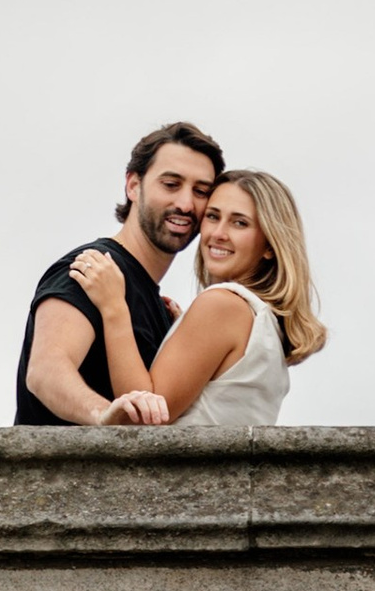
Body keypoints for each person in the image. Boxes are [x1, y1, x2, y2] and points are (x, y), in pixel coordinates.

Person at [68, 168, 326, 429]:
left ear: (270, 245)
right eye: (213, 216)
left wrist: (114, 307)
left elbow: (144, 418)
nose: (218, 233)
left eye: (240, 223)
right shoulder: (260, 318)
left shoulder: (222, 305)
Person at [13, 124, 224, 424]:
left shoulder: (160, 307)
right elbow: (46, 371)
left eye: (201, 191)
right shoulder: (91, 266)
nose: (186, 204)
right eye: (171, 184)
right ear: (133, 186)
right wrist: (105, 417)